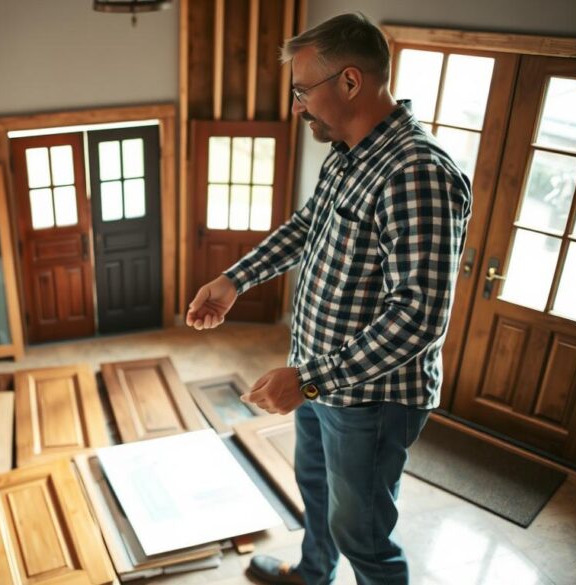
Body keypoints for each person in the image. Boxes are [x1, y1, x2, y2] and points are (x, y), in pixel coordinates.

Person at [185, 12, 472, 585]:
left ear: (349, 82)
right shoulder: (347, 154)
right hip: (318, 377)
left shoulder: (416, 174)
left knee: (362, 535)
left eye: (301, 91)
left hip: (371, 398)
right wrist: (234, 280)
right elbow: (307, 226)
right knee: (316, 492)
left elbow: (419, 319)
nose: (296, 106)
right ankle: (314, 574)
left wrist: (310, 380)